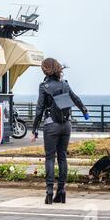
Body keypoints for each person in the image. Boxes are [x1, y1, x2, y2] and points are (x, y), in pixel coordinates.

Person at [31, 58, 89, 204]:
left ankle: (49, 193)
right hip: (66, 125)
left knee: (50, 158)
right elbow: (76, 99)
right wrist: (85, 112)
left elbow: (39, 109)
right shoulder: (65, 84)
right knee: (62, 157)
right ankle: (61, 192)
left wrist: (34, 129)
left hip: (51, 125)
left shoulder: (43, 86)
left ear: (45, 70)